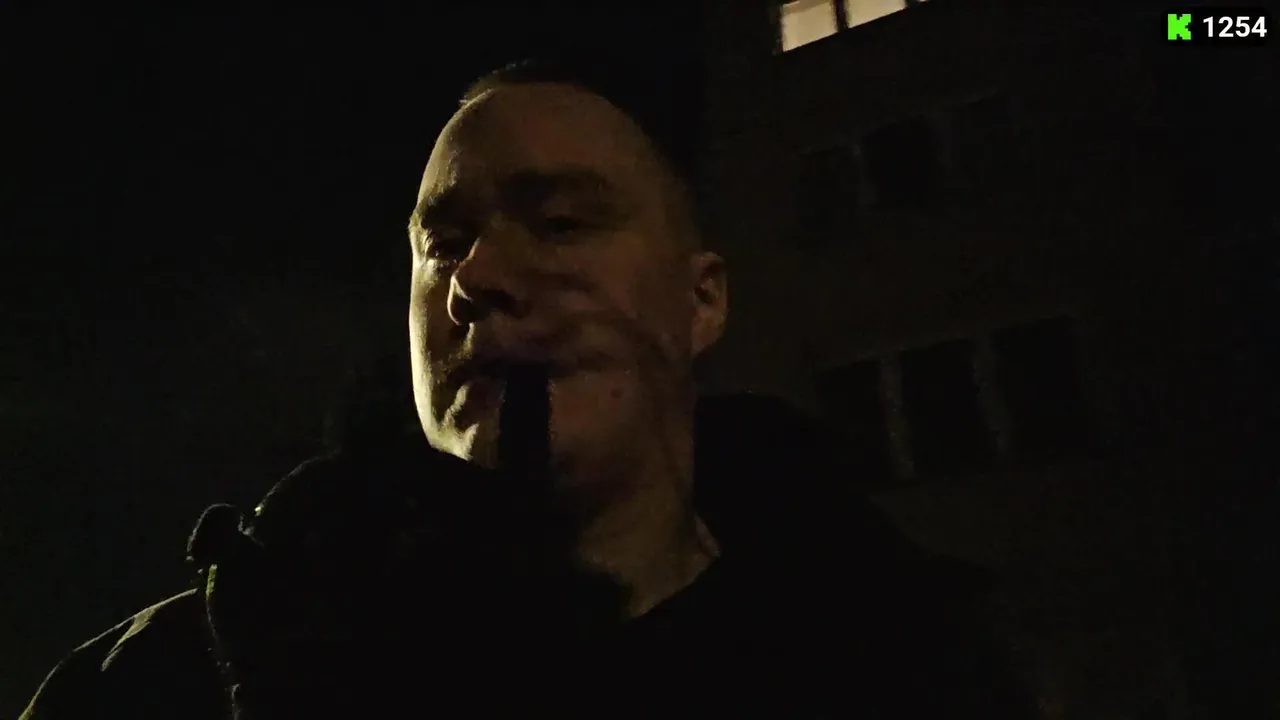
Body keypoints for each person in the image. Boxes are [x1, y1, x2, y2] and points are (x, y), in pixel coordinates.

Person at [21, 55, 1035, 719]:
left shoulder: (920, 666)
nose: (478, 279)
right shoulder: (175, 679)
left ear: (701, 300)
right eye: (443, 245)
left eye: (559, 223)